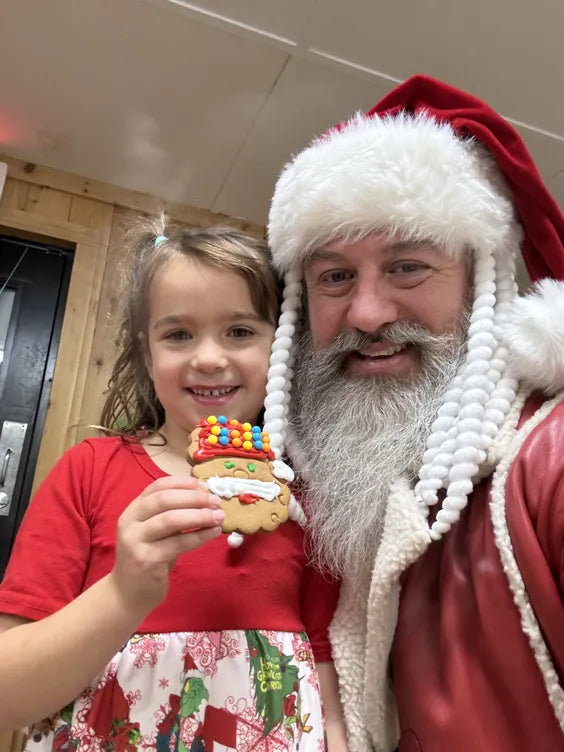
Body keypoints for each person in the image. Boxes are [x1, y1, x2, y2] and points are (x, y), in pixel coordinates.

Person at [262, 75, 564, 751]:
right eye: (335, 277)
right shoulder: (316, 497)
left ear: (482, 284)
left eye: (407, 268)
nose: (367, 315)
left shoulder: (551, 461)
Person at [0, 219, 346, 751]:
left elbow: (321, 663)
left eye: (240, 331)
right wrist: (123, 593)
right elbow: (9, 697)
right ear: (147, 352)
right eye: (178, 334)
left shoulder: (304, 495)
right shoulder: (89, 470)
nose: (208, 357)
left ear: (283, 349)